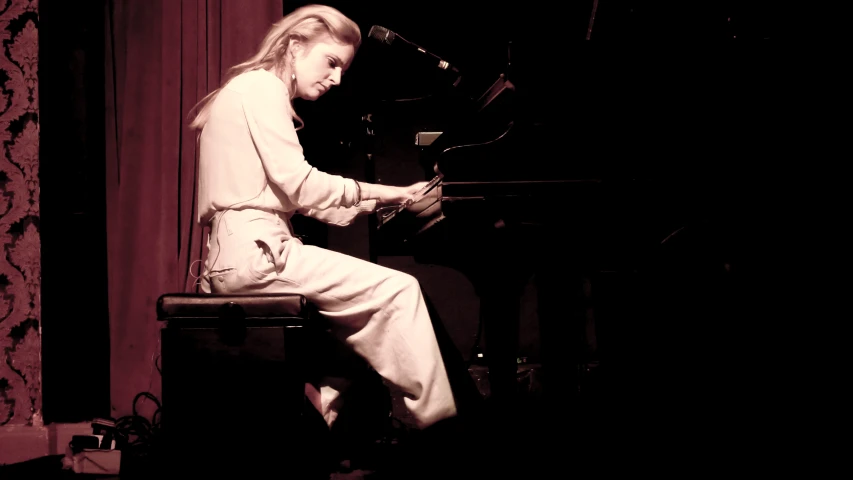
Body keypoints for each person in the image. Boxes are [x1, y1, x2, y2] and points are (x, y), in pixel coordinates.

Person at [188, 3, 460, 442]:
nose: (336, 79)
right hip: (258, 258)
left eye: (342, 70)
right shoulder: (260, 89)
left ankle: (323, 409)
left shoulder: (245, 91)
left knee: (356, 335)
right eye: (331, 62)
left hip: (246, 253)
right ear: (295, 46)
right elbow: (302, 186)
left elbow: (300, 196)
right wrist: (389, 194)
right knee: (399, 291)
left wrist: (379, 202)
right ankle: (438, 434)